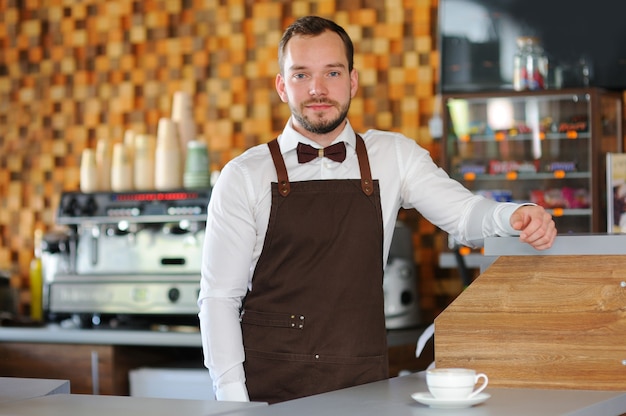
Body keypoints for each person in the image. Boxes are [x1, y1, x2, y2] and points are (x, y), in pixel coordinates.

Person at [198, 15, 557, 404]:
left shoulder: (394, 157)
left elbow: (465, 214)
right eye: (301, 75)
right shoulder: (243, 176)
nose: (318, 89)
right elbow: (218, 300)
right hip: (267, 393)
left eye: (332, 73)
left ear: (352, 80)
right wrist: (233, 401)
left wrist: (514, 215)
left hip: (363, 387)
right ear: (282, 86)